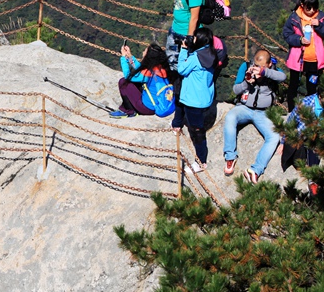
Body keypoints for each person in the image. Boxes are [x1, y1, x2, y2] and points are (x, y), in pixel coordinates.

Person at [223, 49, 286, 184]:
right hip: (244, 107)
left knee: (274, 137)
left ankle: (255, 170)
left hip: (263, 112)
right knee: (230, 118)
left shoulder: (274, 70)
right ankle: (230, 156)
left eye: (261, 66)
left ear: (269, 64)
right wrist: (247, 82)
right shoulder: (246, 67)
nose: (258, 69)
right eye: (257, 66)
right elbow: (235, 90)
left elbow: (283, 77)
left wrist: (265, 73)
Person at [282, 0, 324, 111]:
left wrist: (319, 25)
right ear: (302, 5)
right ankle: (291, 111)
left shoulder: (321, 17)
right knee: (293, 86)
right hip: (298, 60)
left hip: (315, 60)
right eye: (308, 8)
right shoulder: (294, 18)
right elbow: (287, 34)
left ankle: (311, 113)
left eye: (314, 8)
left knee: (312, 87)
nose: (311, 11)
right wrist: (299, 40)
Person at [153, 0, 205, 73]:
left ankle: (179, 86)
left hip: (185, 33)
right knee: (171, 61)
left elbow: (194, 17)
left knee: (182, 65)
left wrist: (189, 38)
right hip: (175, 30)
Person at [176, 27, 217, 172]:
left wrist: (183, 50)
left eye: (194, 37)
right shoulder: (211, 54)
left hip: (193, 100)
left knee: (197, 131)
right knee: (197, 125)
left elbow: (181, 69)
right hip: (205, 98)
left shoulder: (195, 58)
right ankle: (177, 124)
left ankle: (201, 162)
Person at [110, 43, 170, 118]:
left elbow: (128, 76)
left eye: (145, 51)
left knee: (123, 82)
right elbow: (141, 70)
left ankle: (129, 111)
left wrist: (123, 58)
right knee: (137, 83)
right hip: (158, 104)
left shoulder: (148, 74)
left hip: (147, 109)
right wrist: (130, 57)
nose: (143, 52)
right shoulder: (160, 69)